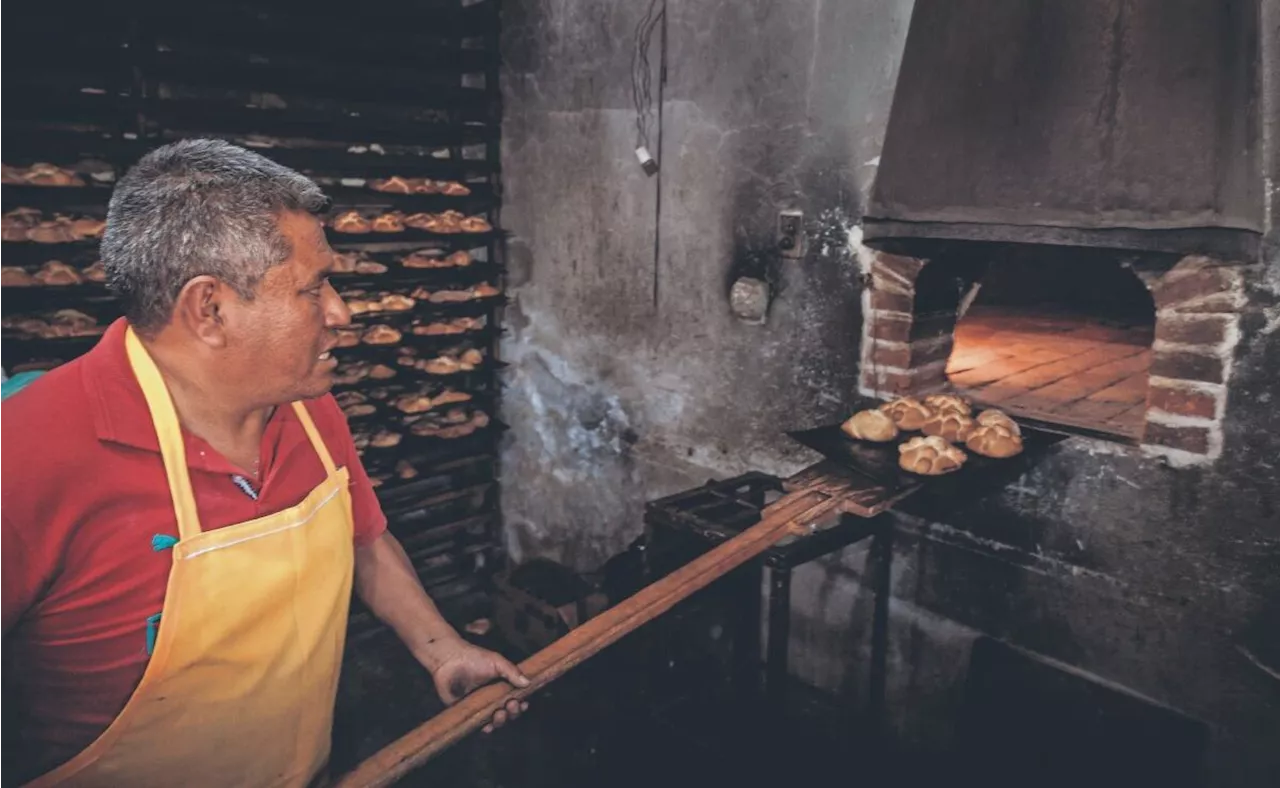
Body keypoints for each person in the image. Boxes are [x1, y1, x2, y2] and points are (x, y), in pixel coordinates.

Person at [0, 139, 527, 787]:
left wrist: (441, 648)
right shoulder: (24, 460)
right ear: (209, 309)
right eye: (313, 289)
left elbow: (364, 536)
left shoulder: (307, 405)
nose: (342, 313)